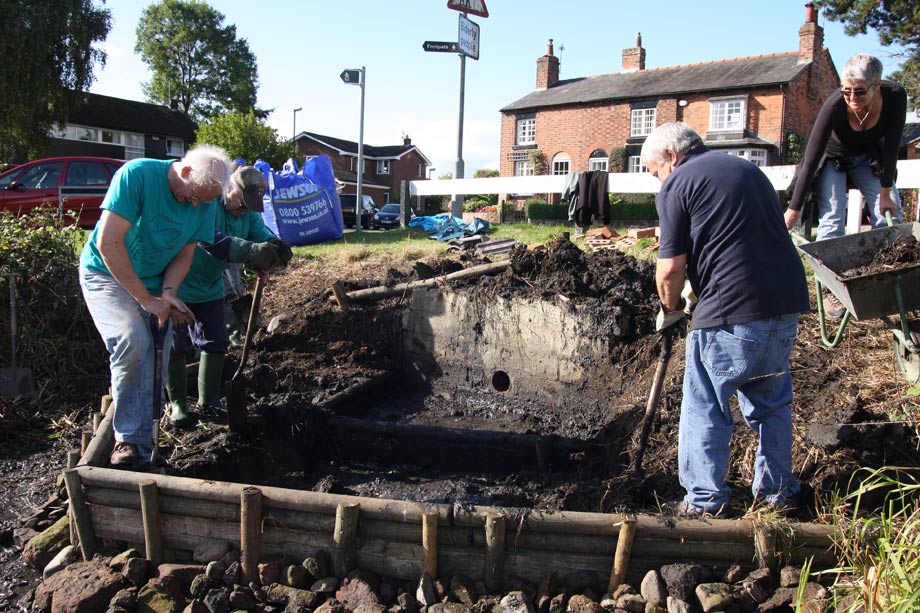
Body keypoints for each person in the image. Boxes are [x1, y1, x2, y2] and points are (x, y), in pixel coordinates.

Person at [642, 122, 811, 517]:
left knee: (705, 405)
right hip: (784, 305)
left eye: (655, 173)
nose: (658, 183)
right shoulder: (749, 171)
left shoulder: (678, 183)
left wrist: (670, 311)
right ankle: (777, 498)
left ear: (672, 157)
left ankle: (704, 503)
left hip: (730, 310)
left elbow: (670, 269)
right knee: (771, 405)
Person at [79, 144, 233, 469]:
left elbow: (185, 254)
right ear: (185, 171)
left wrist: (169, 292)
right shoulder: (137, 176)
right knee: (132, 339)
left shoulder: (204, 200)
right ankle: (127, 441)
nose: (194, 206)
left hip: (152, 281)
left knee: (158, 351)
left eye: (202, 202)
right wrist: (146, 299)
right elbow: (109, 243)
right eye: (192, 197)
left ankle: (145, 447)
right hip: (106, 273)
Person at [165, 165, 292, 426]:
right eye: (243, 203)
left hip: (211, 285)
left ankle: (208, 402)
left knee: (216, 342)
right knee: (176, 345)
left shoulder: (248, 216)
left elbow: (262, 235)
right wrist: (250, 251)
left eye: (250, 207)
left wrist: (276, 248)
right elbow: (210, 241)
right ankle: (178, 405)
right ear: (230, 189)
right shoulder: (209, 203)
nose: (244, 210)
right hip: (179, 282)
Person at [785, 54, 906, 315]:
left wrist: (885, 193)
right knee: (832, 218)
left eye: (860, 92)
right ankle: (831, 291)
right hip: (832, 157)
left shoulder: (895, 96)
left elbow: (893, 147)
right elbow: (811, 158)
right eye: (846, 90)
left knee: (890, 214)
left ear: (877, 86)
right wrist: (793, 210)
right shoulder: (834, 106)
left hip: (870, 155)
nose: (851, 98)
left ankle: (884, 279)